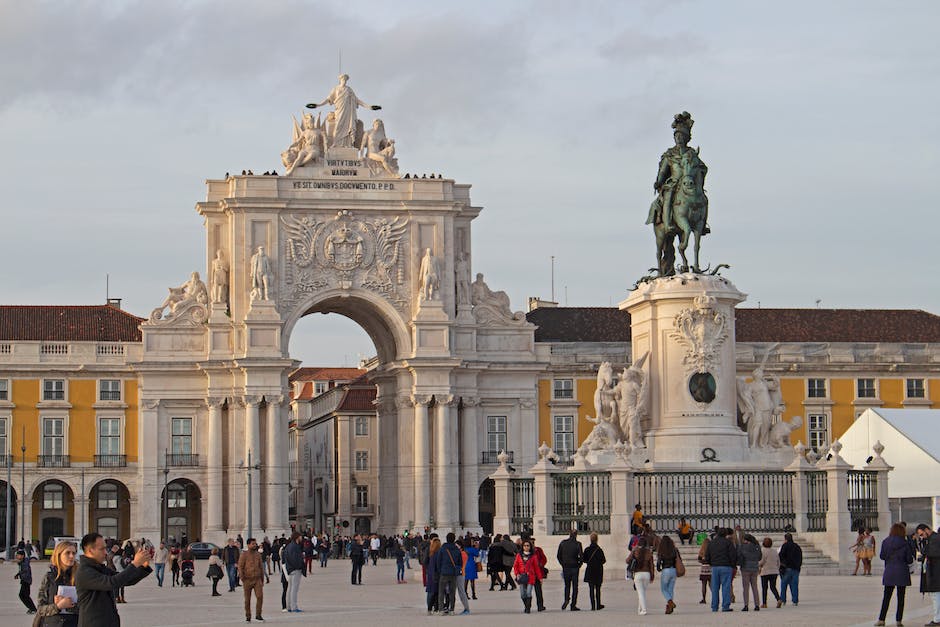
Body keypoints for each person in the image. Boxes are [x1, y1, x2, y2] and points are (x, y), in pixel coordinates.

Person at [75, 532, 151, 627]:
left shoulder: (99, 568)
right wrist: (134, 564)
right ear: (90, 551)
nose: (105, 552)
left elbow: (125, 580)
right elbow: (111, 583)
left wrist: (143, 567)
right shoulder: (84, 571)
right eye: (102, 549)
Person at [309, 74, 381, 148]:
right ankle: (335, 143)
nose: (344, 81)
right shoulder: (336, 89)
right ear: (340, 80)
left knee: (348, 128)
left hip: (348, 113)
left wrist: (369, 107)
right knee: (338, 127)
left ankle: (348, 145)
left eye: (346, 80)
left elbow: (357, 100)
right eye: (343, 79)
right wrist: (318, 105)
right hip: (339, 111)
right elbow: (328, 99)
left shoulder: (349, 90)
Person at [875, 522, 913, 626]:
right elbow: (909, 559)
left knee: (886, 597)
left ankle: (881, 619)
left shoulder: (886, 541)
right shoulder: (905, 543)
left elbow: (882, 556)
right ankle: (898, 620)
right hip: (902, 572)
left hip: (890, 571)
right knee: (901, 597)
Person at [35, 541, 80, 626]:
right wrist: (57, 606)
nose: (71, 556)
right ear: (59, 555)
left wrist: (70, 605)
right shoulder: (49, 577)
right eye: (67, 553)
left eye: (73, 553)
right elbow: (40, 609)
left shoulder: (79, 577)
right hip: (52, 623)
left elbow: (87, 607)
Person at [704, 526, 736, 612]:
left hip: (715, 567)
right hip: (726, 566)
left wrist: (711, 563)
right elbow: (733, 555)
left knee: (715, 588)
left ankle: (714, 606)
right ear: (726, 534)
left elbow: (707, 555)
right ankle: (725, 606)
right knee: (726, 587)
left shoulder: (712, 543)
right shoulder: (728, 542)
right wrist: (733, 565)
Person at [916, 523, 940, 626]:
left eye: (922, 534)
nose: (922, 536)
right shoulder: (931, 539)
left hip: (936, 573)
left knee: (936, 596)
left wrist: (924, 553)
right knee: (936, 596)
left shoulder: (935, 539)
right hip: (934, 572)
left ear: (926, 530)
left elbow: (934, 553)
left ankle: (937, 619)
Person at [236, 537, 264, 622]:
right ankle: (248, 615)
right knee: (247, 599)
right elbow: (240, 566)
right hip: (247, 579)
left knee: (260, 597)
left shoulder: (258, 555)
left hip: (257, 579)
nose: (254, 545)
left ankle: (258, 615)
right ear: (248, 545)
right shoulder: (244, 555)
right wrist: (242, 577)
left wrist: (262, 578)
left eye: (255, 544)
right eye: (253, 544)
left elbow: (261, 567)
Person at [512, 539, 543, 614]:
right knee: (523, 594)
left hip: (530, 576)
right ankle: (526, 605)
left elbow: (536, 567)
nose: (526, 547)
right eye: (525, 546)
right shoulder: (519, 555)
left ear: (530, 547)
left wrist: (540, 577)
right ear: (522, 547)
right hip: (521, 576)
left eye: (528, 546)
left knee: (528, 592)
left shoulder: (533, 556)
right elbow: (515, 566)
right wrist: (517, 574)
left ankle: (528, 607)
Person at [436, 533, 463, 615]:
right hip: (453, 573)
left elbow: (438, 561)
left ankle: (441, 610)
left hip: (444, 572)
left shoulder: (442, 549)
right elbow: (460, 563)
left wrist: (440, 570)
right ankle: (452, 609)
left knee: (441, 592)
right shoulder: (457, 550)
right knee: (452, 592)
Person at [557, 529, 583, 611]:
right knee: (575, 587)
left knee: (567, 585)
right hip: (575, 567)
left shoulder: (563, 543)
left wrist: (562, 564)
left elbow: (558, 555)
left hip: (566, 567)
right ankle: (573, 605)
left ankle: (566, 599)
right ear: (576, 535)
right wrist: (579, 564)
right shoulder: (578, 544)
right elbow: (581, 556)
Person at [628, 536, 655, 616]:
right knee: (642, 592)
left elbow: (627, 560)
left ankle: (644, 610)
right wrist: (652, 576)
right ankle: (639, 609)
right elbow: (652, 566)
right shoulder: (649, 552)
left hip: (638, 574)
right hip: (647, 574)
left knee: (640, 592)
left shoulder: (635, 550)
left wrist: (633, 552)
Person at [582, 532, 606, 611]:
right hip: (598, 571)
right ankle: (598, 604)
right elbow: (603, 560)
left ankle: (592, 606)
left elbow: (584, 560)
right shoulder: (599, 550)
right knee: (598, 588)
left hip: (590, 570)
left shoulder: (587, 549)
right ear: (597, 540)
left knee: (591, 588)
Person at [738, 534, 761, 612]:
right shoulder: (757, 546)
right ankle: (757, 605)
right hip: (755, 567)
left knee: (746, 588)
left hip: (745, 568)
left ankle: (746, 605)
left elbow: (739, 555)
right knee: (755, 587)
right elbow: (760, 557)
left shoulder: (742, 546)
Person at [777, 533, 802, 608]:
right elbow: (800, 557)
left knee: (783, 585)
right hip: (795, 568)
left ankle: (783, 600)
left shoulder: (785, 546)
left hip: (787, 568)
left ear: (786, 539)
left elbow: (780, 556)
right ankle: (795, 600)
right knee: (794, 585)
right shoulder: (797, 546)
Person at [656, 535, 679, 614]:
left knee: (664, 589)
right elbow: (679, 559)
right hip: (674, 570)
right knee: (670, 589)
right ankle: (669, 608)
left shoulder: (662, 550)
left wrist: (658, 568)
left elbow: (659, 562)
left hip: (666, 570)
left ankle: (670, 602)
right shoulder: (674, 550)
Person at [283, 532, 304, 613]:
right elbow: (295, 559)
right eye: (300, 537)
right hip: (295, 569)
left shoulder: (289, 546)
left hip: (290, 569)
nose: (301, 538)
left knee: (290, 589)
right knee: (294, 589)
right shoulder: (294, 547)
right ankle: (294, 607)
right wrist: (299, 566)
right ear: (297, 537)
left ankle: (289, 606)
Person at [758, 537, 780, 609]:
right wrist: (776, 568)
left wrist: (759, 565)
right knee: (773, 587)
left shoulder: (763, 551)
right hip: (774, 571)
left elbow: (761, 562)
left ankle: (764, 603)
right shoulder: (774, 551)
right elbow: (778, 562)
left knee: (764, 588)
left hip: (765, 571)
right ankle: (778, 599)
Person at [15, 548, 37, 614]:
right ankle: (32, 608)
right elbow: (22, 570)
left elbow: (25, 570)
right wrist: (18, 574)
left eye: (18, 555)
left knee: (23, 595)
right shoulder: (23, 562)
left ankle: (33, 609)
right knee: (24, 595)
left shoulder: (24, 562)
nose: (17, 556)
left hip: (26, 580)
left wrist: (20, 574)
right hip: (25, 580)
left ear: (22, 556)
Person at [424, 538, 441, 614]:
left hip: (431, 575)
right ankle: (435, 609)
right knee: (436, 593)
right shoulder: (438, 554)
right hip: (436, 575)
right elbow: (437, 566)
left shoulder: (431, 553)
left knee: (432, 593)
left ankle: (430, 609)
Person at [698, 536, 712, 604]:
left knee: (704, 584)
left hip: (703, 569)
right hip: (710, 568)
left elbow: (699, 559)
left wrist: (703, 562)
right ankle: (714, 596)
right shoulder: (711, 549)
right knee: (711, 584)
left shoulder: (702, 551)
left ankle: (704, 599)